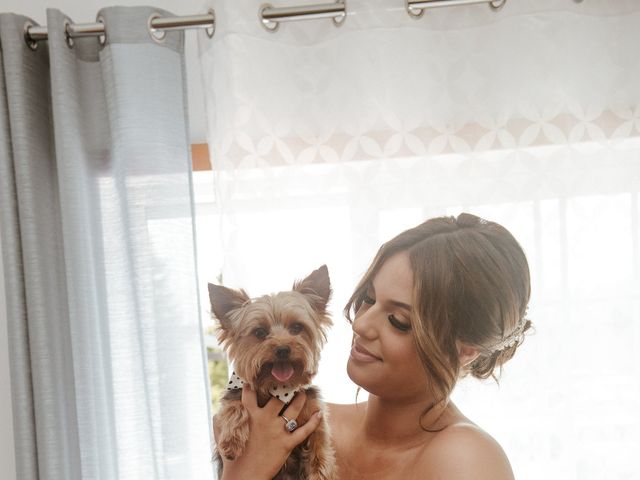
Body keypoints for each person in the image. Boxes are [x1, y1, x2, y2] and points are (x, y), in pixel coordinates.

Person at [214, 212, 531, 480]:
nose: (362, 324)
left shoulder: (465, 460)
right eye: (367, 299)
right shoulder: (286, 426)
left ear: (465, 349)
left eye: (398, 320)